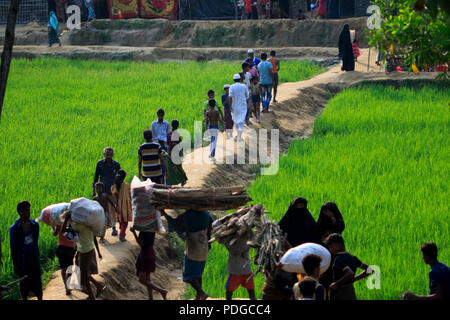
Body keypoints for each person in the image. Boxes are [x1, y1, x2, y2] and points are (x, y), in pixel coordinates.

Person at [65, 212, 105, 300]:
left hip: (84, 250)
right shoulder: (88, 224)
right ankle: (97, 287)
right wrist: (98, 252)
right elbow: (94, 238)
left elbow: (64, 230)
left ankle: (92, 295)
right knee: (84, 273)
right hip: (86, 249)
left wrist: (66, 219)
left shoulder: (77, 226)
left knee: (83, 274)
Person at [9, 201, 43, 300]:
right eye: (26, 210)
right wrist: (16, 265)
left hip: (34, 259)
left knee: (38, 284)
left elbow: (35, 242)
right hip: (23, 261)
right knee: (24, 286)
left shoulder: (34, 225)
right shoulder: (14, 229)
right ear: (20, 212)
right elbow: (13, 248)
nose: (29, 212)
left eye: (29, 210)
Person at [179, 209, 213, 300]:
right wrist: (209, 244)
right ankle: (198, 297)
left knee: (188, 277)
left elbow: (177, 225)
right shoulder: (206, 214)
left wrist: (165, 215)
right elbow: (210, 229)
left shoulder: (187, 215)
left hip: (193, 249)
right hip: (204, 247)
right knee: (198, 274)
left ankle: (202, 293)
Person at [325, 233, 371, 300]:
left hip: (341, 292)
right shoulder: (352, 257)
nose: (330, 249)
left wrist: (336, 284)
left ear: (339, 244)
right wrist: (354, 279)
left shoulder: (338, 259)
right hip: (351, 291)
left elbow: (350, 273)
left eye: (331, 246)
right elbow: (369, 270)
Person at [130, 227, 168, 300]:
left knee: (142, 280)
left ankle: (162, 291)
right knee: (148, 279)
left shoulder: (143, 230)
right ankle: (150, 297)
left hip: (145, 253)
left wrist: (134, 232)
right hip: (151, 251)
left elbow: (140, 243)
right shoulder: (151, 228)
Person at [93, 147, 120, 236]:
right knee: (102, 211)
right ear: (104, 154)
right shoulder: (100, 164)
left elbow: (119, 179)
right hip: (102, 191)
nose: (108, 156)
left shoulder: (116, 165)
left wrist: (118, 191)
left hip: (112, 190)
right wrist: (94, 190)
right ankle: (101, 231)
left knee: (112, 209)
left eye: (110, 154)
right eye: (106, 154)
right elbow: (96, 177)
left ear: (113, 154)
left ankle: (114, 228)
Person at [224, 226, 256, 300]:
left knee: (229, 293)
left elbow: (222, 240)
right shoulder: (248, 239)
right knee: (251, 293)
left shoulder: (230, 242)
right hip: (247, 270)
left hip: (234, 271)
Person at [52, 213, 77, 295]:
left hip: (62, 247)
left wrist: (53, 228)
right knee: (69, 268)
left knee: (63, 269)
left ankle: (67, 287)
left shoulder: (60, 223)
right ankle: (68, 286)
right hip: (70, 248)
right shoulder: (74, 223)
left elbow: (55, 234)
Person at [111, 170, 132, 242]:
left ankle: (121, 231)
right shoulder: (126, 185)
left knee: (121, 219)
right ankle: (122, 235)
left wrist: (116, 206)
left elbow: (115, 197)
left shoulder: (114, 186)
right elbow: (130, 194)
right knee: (125, 222)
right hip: (126, 205)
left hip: (118, 205)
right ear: (124, 177)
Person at [166, 119, 188, 186]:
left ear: (171, 125)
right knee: (178, 167)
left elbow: (168, 143)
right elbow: (177, 143)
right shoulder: (177, 134)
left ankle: (170, 182)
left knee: (169, 168)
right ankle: (183, 179)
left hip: (170, 151)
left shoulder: (169, 133)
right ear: (177, 126)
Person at [229, 73, 250, 142]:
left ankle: (238, 135)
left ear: (233, 80)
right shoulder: (244, 86)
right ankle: (239, 136)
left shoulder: (231, 87)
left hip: (234, 106)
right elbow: (247, 97)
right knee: (241, 121)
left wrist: (230, 105)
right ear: (240, 79)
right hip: (242, 106)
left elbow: (230, 97)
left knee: (235, 120)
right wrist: (247, 105)